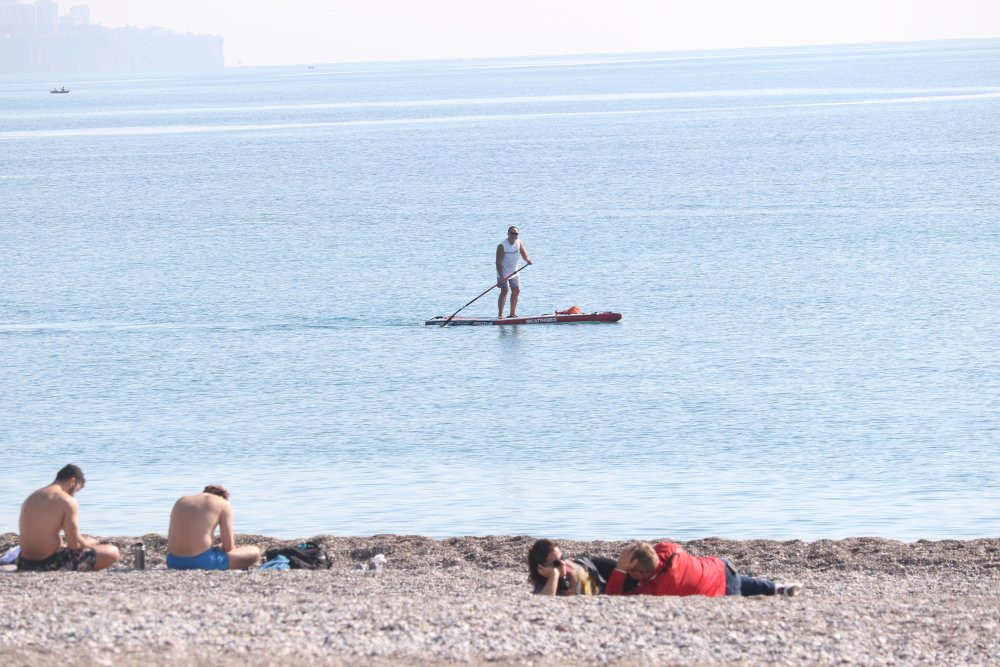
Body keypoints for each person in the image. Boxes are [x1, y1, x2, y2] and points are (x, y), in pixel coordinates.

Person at [17, 464, 121, 572]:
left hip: (24, 562)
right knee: (112, 552)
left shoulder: (33, 496)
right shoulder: (66, 500)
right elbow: (75, 544)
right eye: (75, 490)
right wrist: (92, 542)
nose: (74, 495)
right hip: (48, 563)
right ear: (72, 481)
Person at [605, 541, 802, 597]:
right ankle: (778, 588)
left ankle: (776, 589)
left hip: (725, 591)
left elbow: (613, 596)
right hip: (723, 567)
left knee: (738, 589)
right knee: (740, 579)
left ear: (640, 573)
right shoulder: (669, 548)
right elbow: (653, 552)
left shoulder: (656, 589)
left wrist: (621, 570)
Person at [166, 485, 260, 570]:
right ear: (224, 497)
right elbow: (228, 547)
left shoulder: (182, 500)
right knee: (254, 551)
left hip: (172, 561)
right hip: (201, 562)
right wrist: (221, 547)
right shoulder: (223, 503)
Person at [528, 539, 637, 595]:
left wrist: (575, 580)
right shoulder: (545, 581)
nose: (563, 564)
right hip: (600, 583)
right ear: (541, 568)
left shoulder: (566, 566)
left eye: (563, 558)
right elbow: (543, 600)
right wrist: (555, 574)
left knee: (637, 571)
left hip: (594, 567)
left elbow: (574, 567)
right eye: (557, 563)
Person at [496, 226, 533, 319]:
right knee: (504, 291)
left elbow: (524, 254)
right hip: (502, 273)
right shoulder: (502, 246)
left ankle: (512, 313)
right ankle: (500, 314)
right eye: (512, 233)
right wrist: (501, 276)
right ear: (508, 234)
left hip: (514, 272)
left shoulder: (519, 243)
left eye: (516, 234)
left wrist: (528, 260)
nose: (514, 235)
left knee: (516, 291)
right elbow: (498, 262)